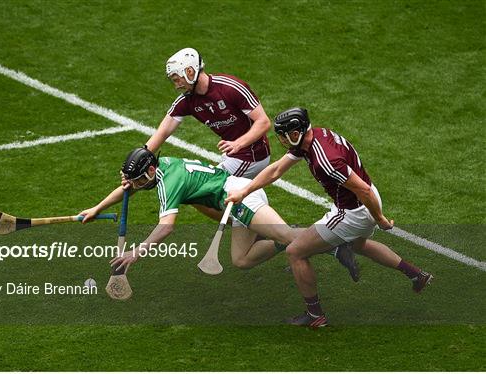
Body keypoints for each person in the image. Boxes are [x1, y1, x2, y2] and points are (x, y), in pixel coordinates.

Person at [225, 107, 433, 327]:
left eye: (290, 135)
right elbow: (276, 170)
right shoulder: (312, 137)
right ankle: (416, 275)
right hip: (364, 202)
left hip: (353, 211)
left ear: (300, 130)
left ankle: (315, 315)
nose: (286, 140)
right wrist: (244, 191)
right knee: (359, 246)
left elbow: (362, 190)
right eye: (284, 135)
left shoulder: (326, 161)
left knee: (295, 251)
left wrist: (379, 218)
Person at [79, 147, 357, 279]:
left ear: (150, 171)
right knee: (242, 260)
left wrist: (135, 253)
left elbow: (166, 227)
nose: (137, 186)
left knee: (286, 234)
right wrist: (96, 208)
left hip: (239, 196)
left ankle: (335, 246)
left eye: (140, 180)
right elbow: (128, 188)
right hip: (232, 206)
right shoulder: (161, 165)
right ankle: (287, 237)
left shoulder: (168, 182)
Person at [146, 47, 271, 179]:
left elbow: (263, 122)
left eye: (177, 79)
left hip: (252, 156)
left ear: (189, 72)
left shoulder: (230, 88)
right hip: (233, 155)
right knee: (227, 194)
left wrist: (237, 144)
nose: (177, 86)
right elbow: (162, 132)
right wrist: (141, 157)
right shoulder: (187, 100)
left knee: (211, 188)